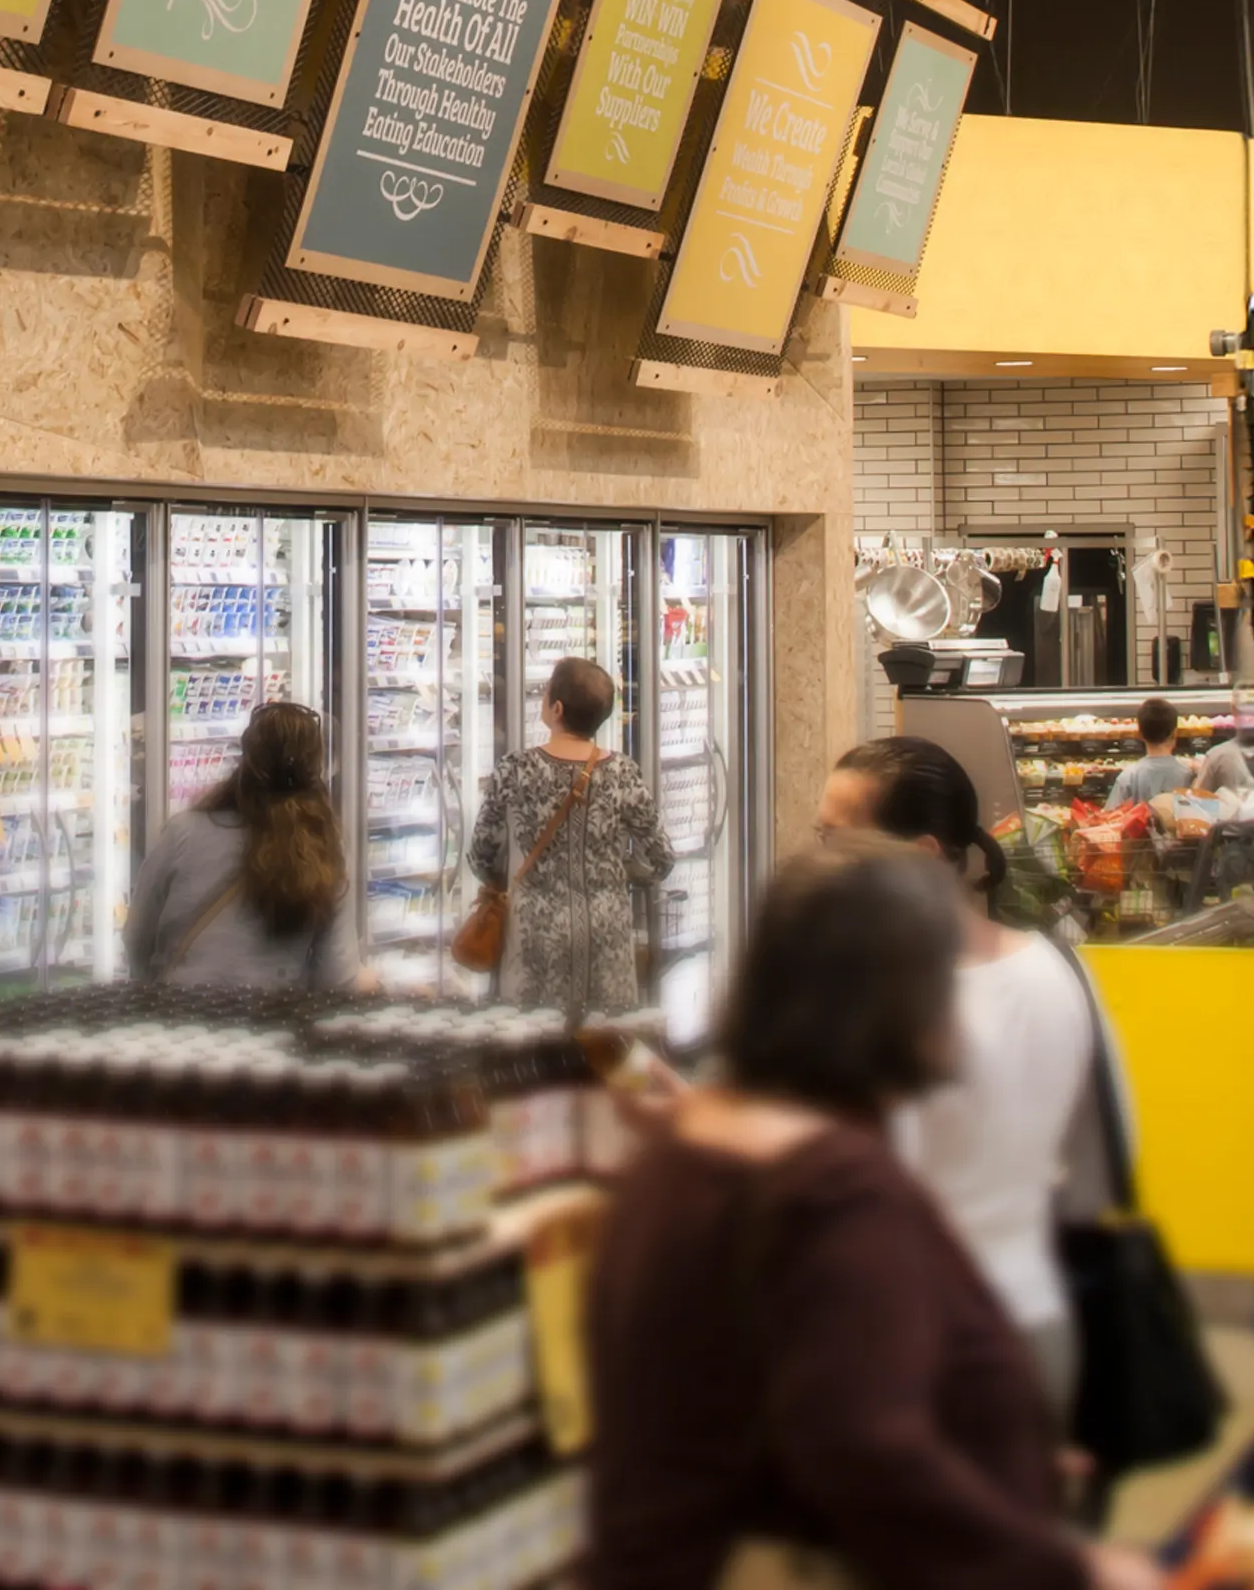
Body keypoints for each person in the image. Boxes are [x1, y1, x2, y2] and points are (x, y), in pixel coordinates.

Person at [587, 846, 1159, 1590]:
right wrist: (1064, 1567)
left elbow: (762, 1391)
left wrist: (986, 1442)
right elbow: (858, 1444)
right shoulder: (832, 1190)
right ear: (898, 1003)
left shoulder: (682, 1156)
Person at [819, 736, 1101, 1415]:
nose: (822, 863)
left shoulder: (893, 1000)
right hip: (1032, 1320)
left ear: (918, 856)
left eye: (837, 841)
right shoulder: (1059, 972)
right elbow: (1103, 1167)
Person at [465, 656, 667, 1019]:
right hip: (607, 941)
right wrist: (617, 872)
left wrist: (510, 876)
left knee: (535, 1056)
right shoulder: (623, 772)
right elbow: (661, 859)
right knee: (605, 1053)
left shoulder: (515, 770)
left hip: (532, 943)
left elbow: (480, 854)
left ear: (556, 709)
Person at [124, 700, 360, 990]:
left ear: (246, 761)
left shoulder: (183, 831)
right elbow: (338, 975)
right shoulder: (325, 849)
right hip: (275, 1020)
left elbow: (136, 937)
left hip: (183, 1017)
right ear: (316, 770)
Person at [1108, 698, 1196, 807]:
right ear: (1175, 733)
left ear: (1139, 734)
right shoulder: (1188, 775)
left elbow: (1111, 816)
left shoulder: (1128, 777)